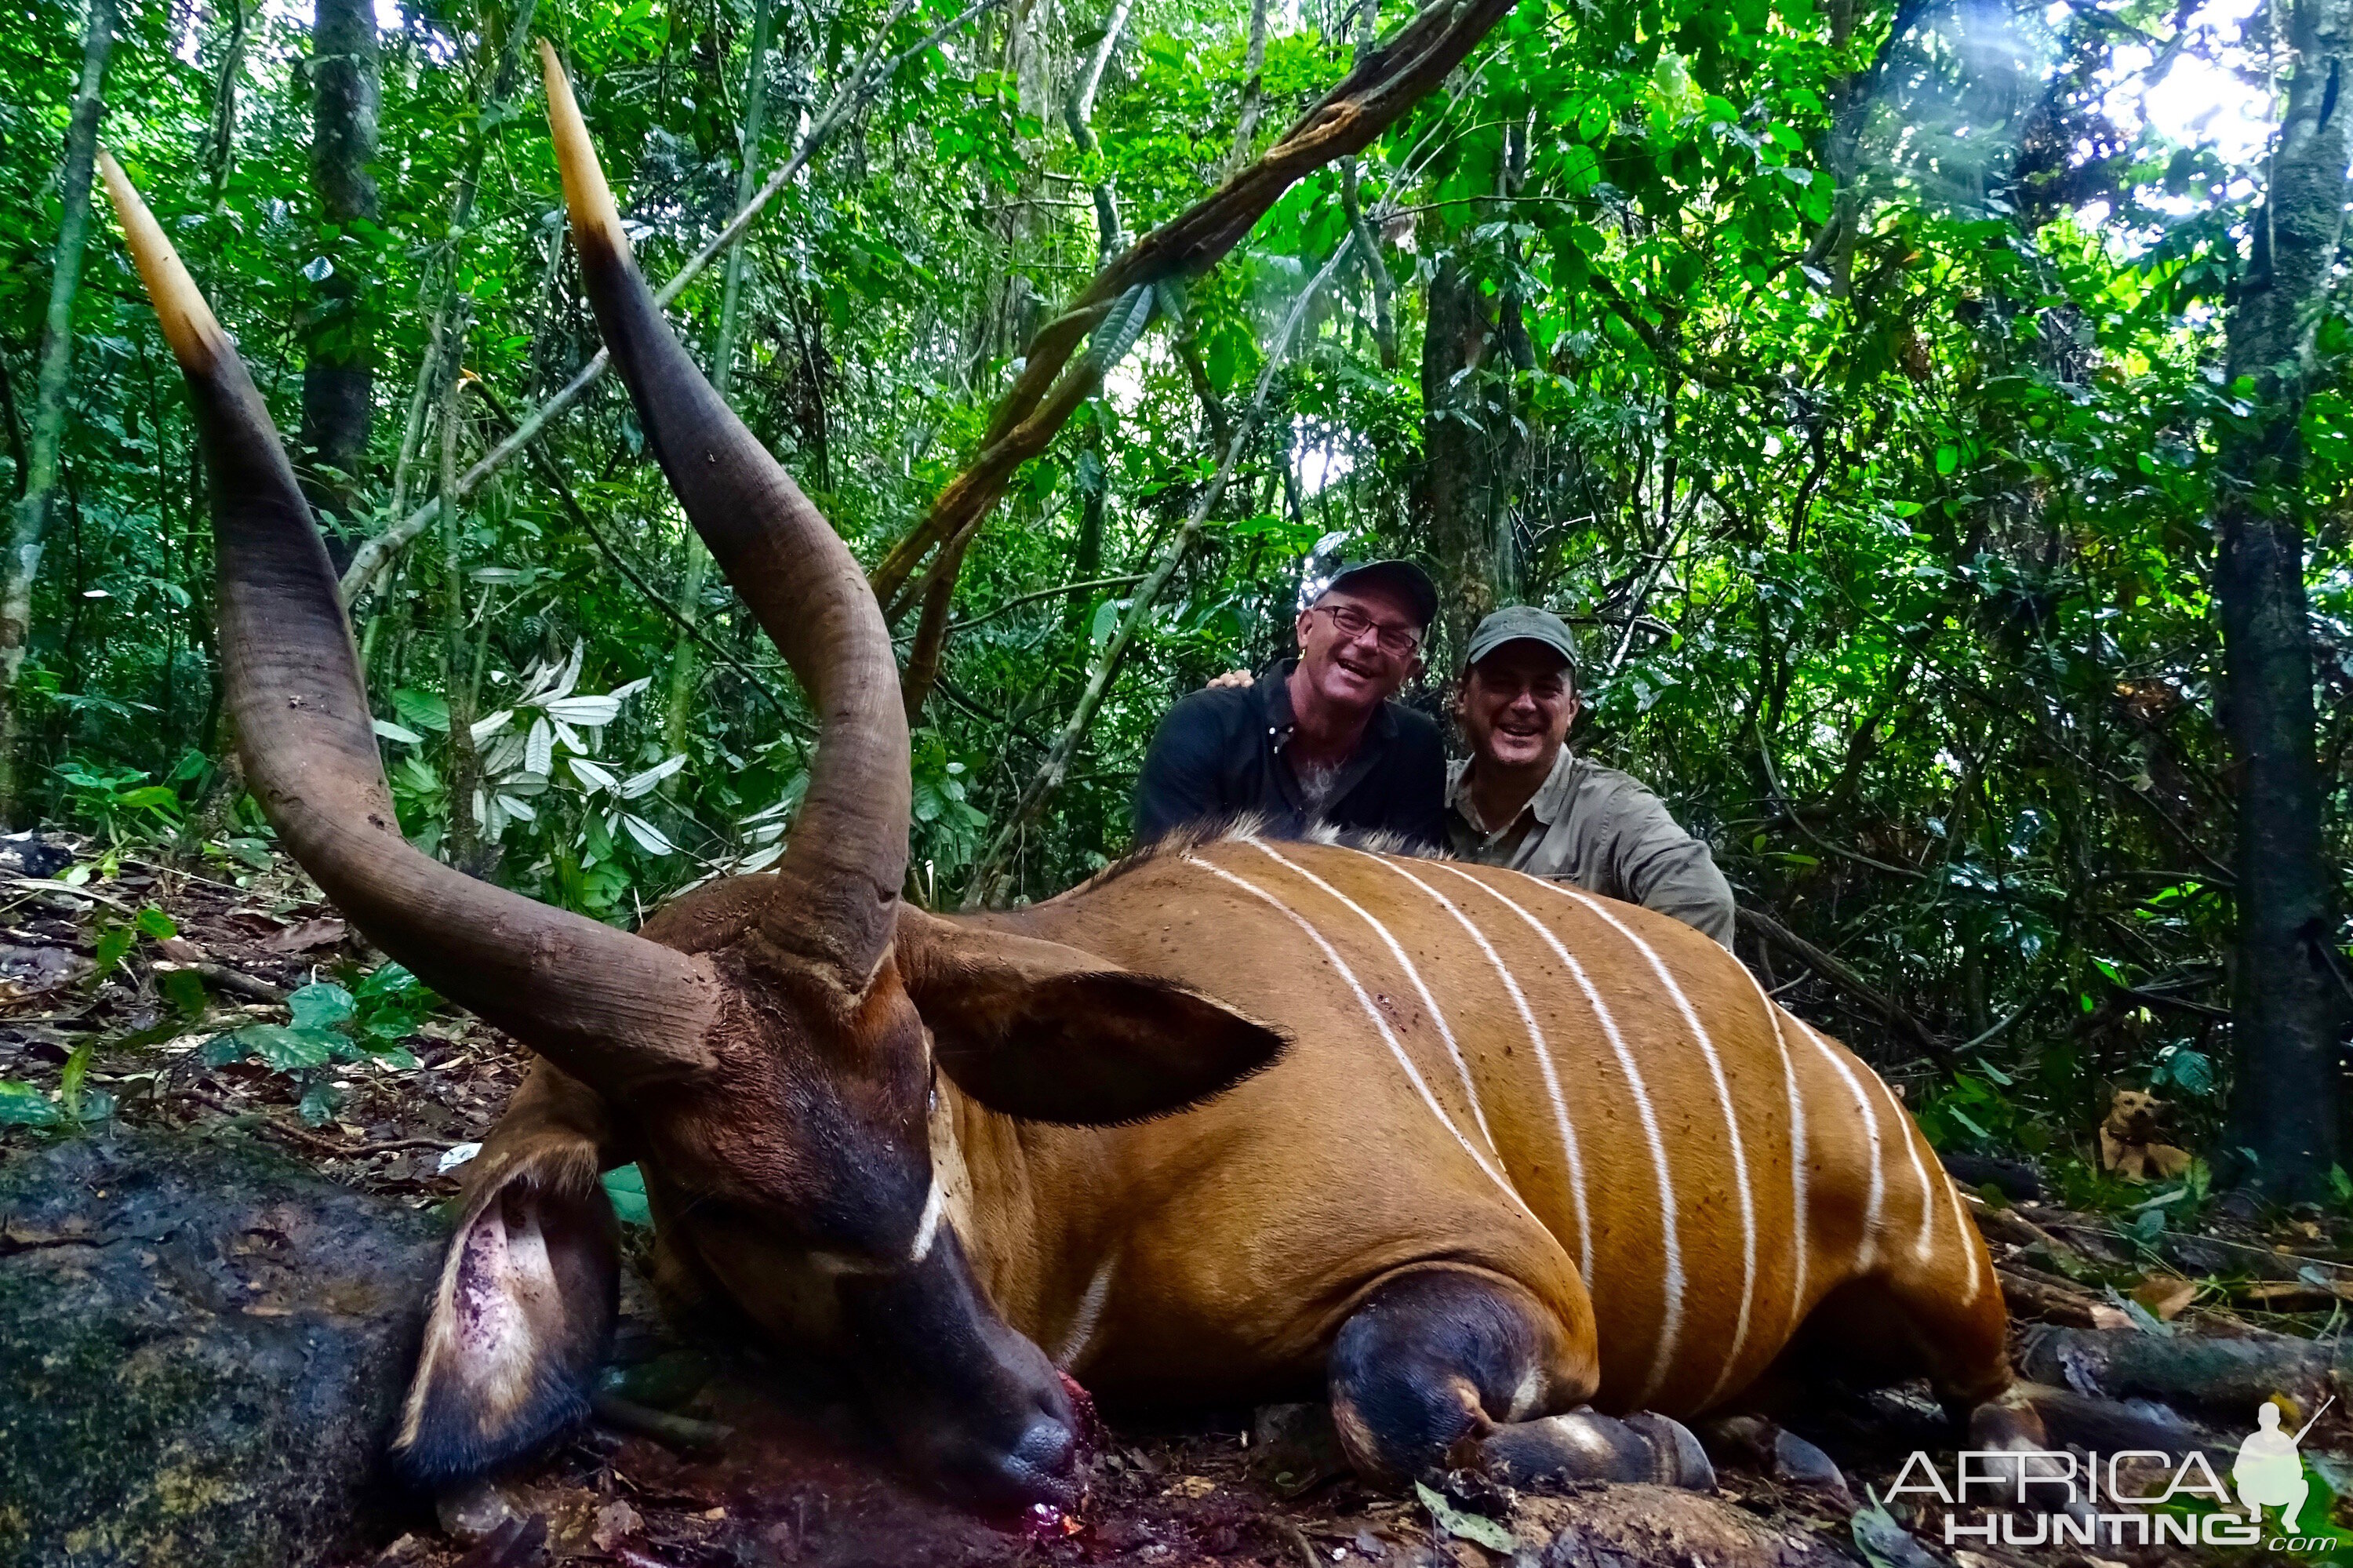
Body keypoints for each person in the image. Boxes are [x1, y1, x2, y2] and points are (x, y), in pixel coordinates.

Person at [1449, 606, 1738, 948]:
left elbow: (1702, 901)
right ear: (1463, 696)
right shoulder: (1419, 785)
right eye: (1502, 683)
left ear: (1572, 709)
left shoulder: (1615, 809)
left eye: (1546, 689)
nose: (1524, 704)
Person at [1134, 561, 1446, 849]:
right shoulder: (1204, 725)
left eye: (1394, 638)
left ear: (1409, 669)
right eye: (1350, 619)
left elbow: (1411, 887)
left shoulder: (1416, 748)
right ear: (1306, 629)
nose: (1367, 643)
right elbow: (1168, 882)